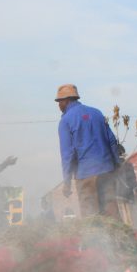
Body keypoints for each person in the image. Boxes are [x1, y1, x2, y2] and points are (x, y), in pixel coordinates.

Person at [55, 84, 122, 218]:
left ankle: (95, 239)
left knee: (91, 218)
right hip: (107, 171)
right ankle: (119, 238)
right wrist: (116, 165)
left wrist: (67, 182)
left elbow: (67, 155)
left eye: (59, 102)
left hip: (86, 175)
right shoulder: (96, 113)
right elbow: (112, 141)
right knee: (111, 213)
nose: (59, 106)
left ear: (66, 101)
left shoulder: (66, 121)